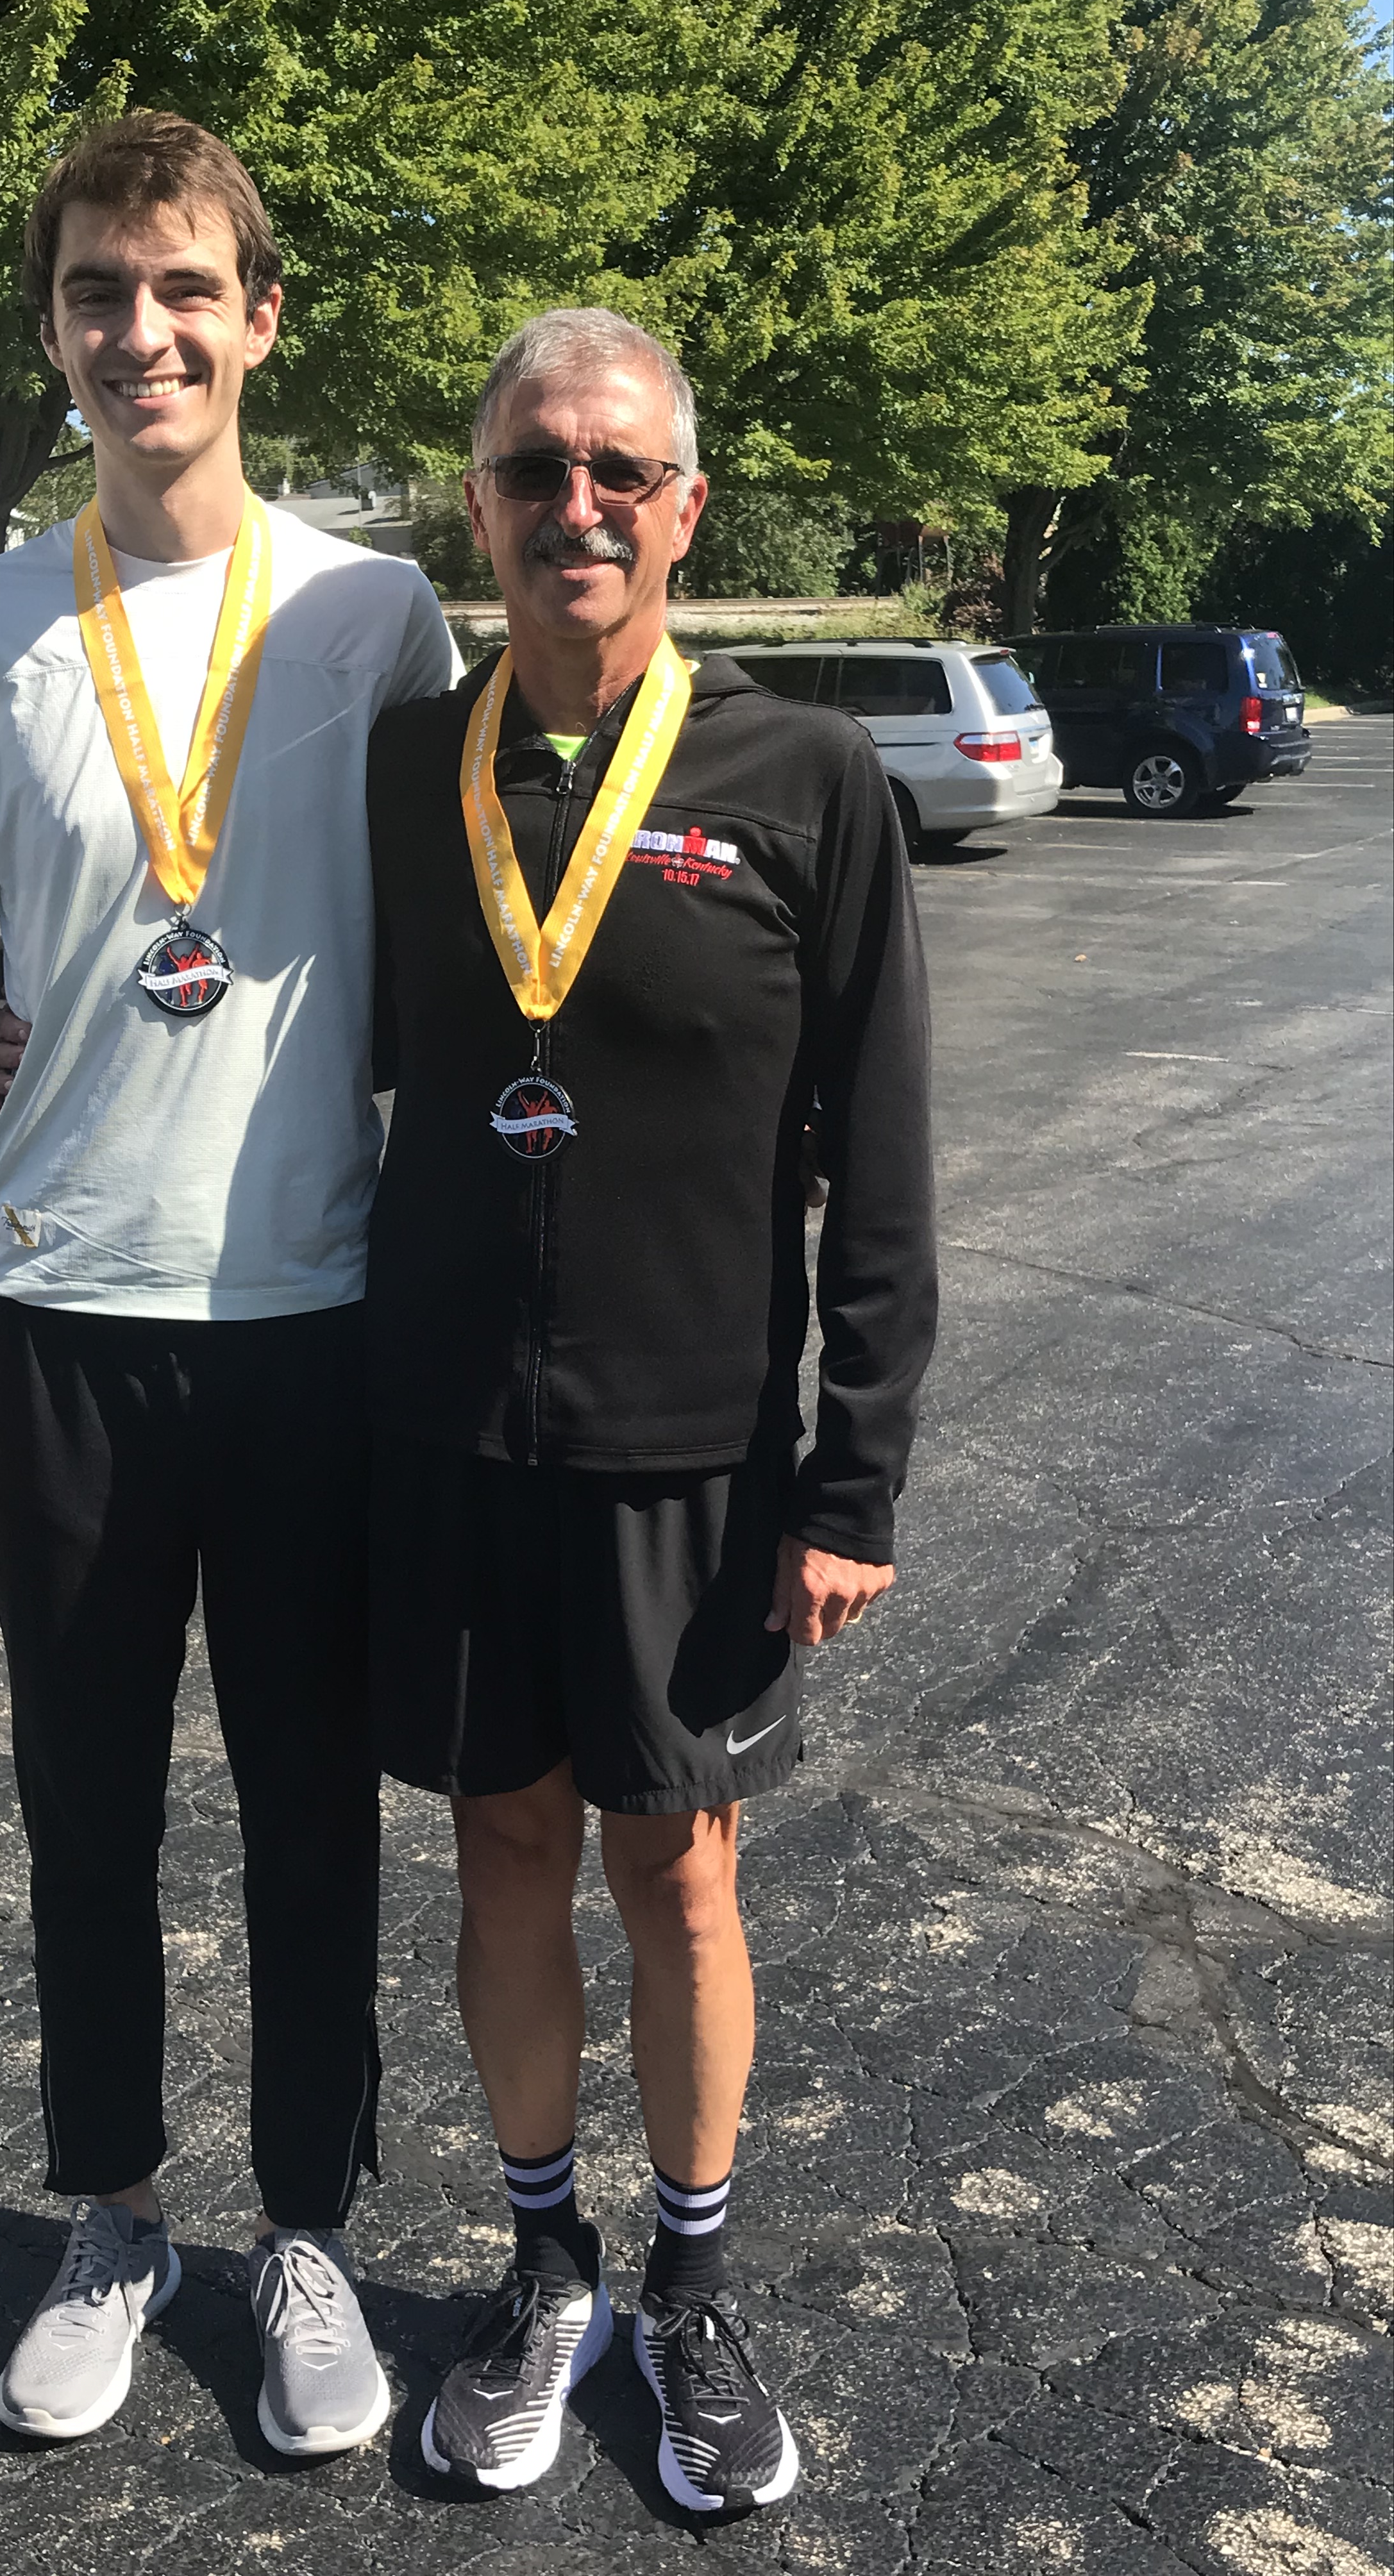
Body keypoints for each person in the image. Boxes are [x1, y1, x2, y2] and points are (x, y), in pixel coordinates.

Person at [0, 111, 457, 2459]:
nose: (144, 333)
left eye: (184, 288)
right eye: (99, 294)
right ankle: (113, 2217)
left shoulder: (374, 618)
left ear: (259, 317)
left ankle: (305, 2230)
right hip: (62, 1321)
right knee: (85, 1810)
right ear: (52, 329)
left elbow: (461, 963)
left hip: (315, 1318)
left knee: (315, 1811)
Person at [362, 308, 937, 2513]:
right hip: (445, 1436)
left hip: (692, 1452)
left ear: (687, 507)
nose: (576, 506)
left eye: (620, 470)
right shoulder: (409, 768)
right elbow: (304, 1043)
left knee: (678, 1875)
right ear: (479, 506)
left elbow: (883, 1152)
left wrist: (852, 1472)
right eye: (536, 469)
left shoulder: (809, 778)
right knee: (502, 1846)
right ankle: (547, 2271)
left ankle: (692, 2286)